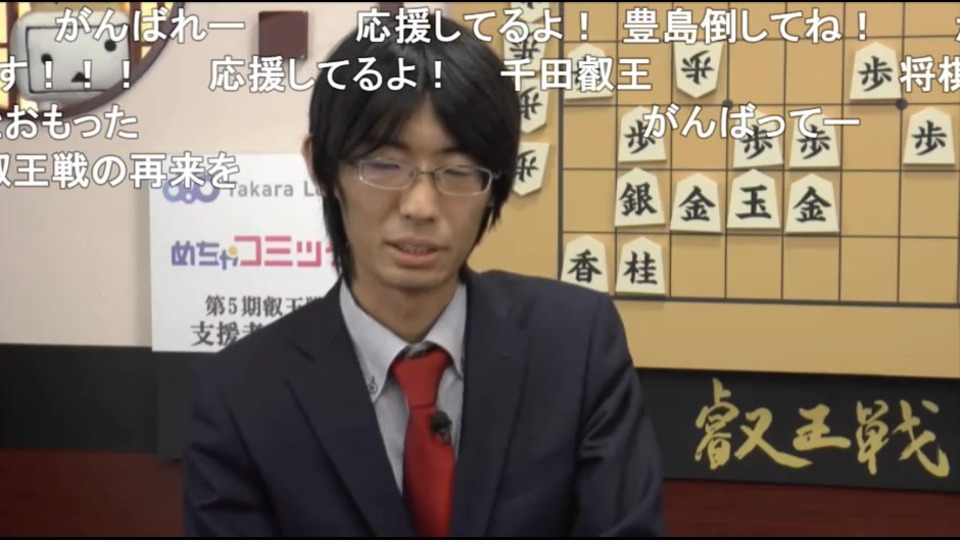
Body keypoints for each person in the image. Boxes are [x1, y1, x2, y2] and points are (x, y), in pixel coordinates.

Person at [181, 11, 666, 538]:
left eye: (458, 171)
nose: (420, 206)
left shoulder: (576, 345)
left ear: (496, 184)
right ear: (323, 167)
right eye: (384, 165)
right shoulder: (241, 396)